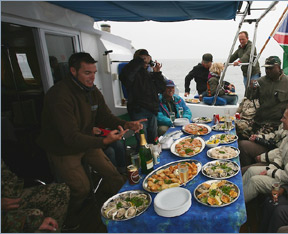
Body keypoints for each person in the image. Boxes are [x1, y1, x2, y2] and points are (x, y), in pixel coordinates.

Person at [37, 52, 146, 229]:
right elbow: (70, 137)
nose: (92, 77)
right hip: (63, 147)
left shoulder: (92, 91)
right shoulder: (59, 95)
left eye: (94, 72)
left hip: (86, 140)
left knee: (113, 175)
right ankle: (68, 220)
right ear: (73, 71)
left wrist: (127, 123)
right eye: (87, 73)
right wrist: (103, 142)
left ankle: (123, 213)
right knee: (81, 188)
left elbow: (105, 116)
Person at [242, 104, 288, 202]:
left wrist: (270, 172)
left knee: (255, 181)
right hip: (280, 172)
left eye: (284, 118)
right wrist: (270, 169)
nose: (281, 120)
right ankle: (234, 194)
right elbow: (280, 155)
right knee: (251, 171)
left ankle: (236, 206)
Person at [239, 94, 288, 174]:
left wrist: (264, 157)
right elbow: (276, 135)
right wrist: (260, 137)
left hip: (279, 161)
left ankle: (244, 171)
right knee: (243, 145)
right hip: (274, 148)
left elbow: (283, 153)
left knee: (247, 171)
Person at [236, 55, 288, 139]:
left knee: (252, 140)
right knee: (238, 132)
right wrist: (251, 88)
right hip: (258, 120)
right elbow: (250, 97)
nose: (267, 71)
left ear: (278, 68)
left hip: (275, 124)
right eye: (266, 68)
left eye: (270, 68)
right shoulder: (261, 81)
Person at [1, 159, 70, 232]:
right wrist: (34, 222)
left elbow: (5, 173)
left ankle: (55, 230)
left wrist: (8, 192)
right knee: (36, 215)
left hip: (8, 196)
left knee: (60, 192)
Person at [119, 49, 166, 143]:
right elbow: (125, 76)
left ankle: (154, 156)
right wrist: (140, 61)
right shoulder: (131, 74)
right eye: (143, 58)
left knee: (153, 140)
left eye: (147, 58)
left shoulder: (148, 74)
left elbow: (161, 88)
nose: (146, 60)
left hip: (152, 110)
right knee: (142, 141)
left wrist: (157, 73)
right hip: (139, 111)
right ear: (137, 60)